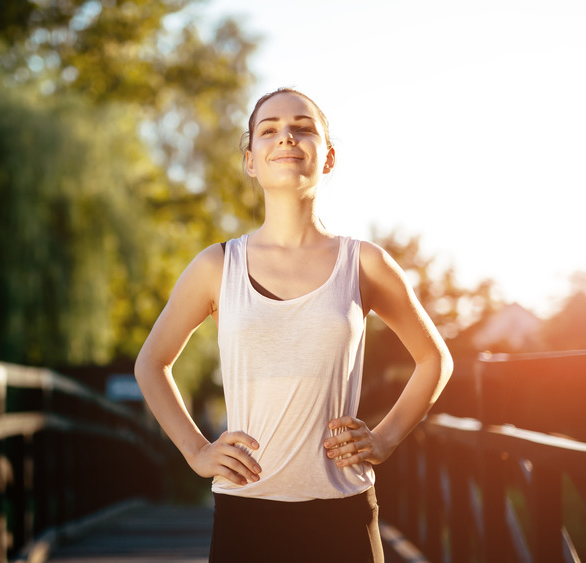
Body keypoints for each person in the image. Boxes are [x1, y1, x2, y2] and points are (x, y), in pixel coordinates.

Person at [134, 87, 453, 562]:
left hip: (342, 512)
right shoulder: (216, 266)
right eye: (269, 130)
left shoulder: (364, 263)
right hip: (246, 514)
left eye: (303, 127)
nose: (286, 137)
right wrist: (197, 452)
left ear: (327, 157)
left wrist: (384, 439)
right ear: (250, 161)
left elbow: (434, 359)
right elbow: (152, 363)